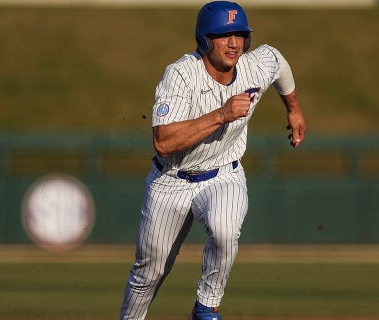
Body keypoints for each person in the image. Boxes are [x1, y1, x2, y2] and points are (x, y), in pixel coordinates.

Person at [118, 1, 307, 319]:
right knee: (147, 274)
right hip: (171, 179)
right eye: (223, 35)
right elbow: (163, 142)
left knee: (225, 228)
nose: (233, 43)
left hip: (223, 174)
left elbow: (277, 61)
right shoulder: (181, 74)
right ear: (205, 38)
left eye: (239, 35)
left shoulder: (253, 66)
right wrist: (221, 114)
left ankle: (206, 306)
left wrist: (294, 107)